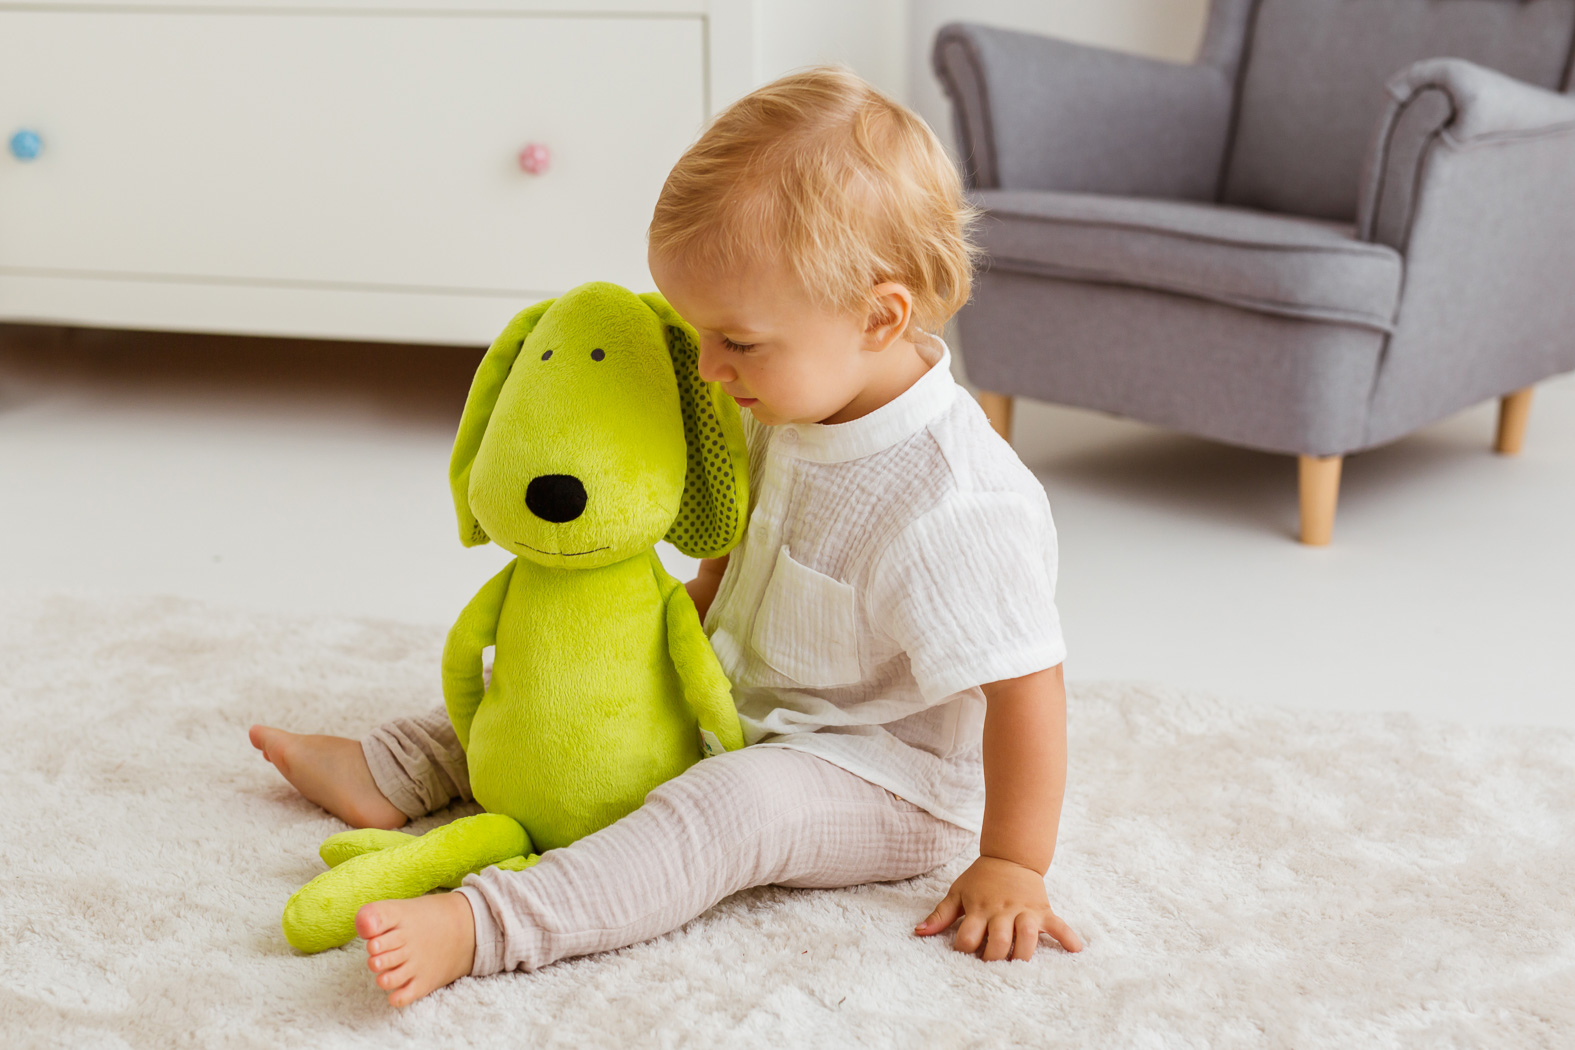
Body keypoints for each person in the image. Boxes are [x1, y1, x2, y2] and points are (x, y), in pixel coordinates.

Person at [249, 65, 1082, 1008]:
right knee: (569, 669)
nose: (708, 364)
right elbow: (741, 531)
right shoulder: (791, 392)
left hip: (877, 771)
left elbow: (1027, 689)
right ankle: (397, 767)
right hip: (742, 692)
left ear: (877, 315)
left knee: (733, 809)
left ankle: (490, 924)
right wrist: (672, 619)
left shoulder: (955, 504)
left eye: (737, 340)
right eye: (696, 333)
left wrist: (1013, 861)